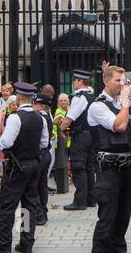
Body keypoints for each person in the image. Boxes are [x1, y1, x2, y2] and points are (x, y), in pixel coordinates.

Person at [86, 64, 131, 253]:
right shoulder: (98, 106)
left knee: (123, 216)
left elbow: (129, 129)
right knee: (107, 218)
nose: (122, 85)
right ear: (106, 81)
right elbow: (118, 126)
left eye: (123, 81)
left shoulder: (119, 104)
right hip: (107, 169)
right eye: (118, 81)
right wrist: (126, 102)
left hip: (126, 167)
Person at [0, 85, 47, 253]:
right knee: (29, 205)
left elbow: (4, 143)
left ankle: (4, 244)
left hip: (17, 166)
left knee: (7, 205)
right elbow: (44, 143)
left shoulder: (15, 118)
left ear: (19, 99)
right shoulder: (40, 118)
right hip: (34, 165)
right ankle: (26, 242)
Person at [61, 69, 98, 211]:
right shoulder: (91, 95)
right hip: (91, 135)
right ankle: (90, 199)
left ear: (80, 81)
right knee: (89, 168)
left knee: (78, 167)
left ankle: (80, 201)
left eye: (74, 80)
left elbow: (70, 118)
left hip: (81, 136)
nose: (72, 83)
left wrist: (62, 129)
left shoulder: (79, 97)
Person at [32, 92, 53, 224]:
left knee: (35, 186)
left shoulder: (40, 118)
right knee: (42, 185)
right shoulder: (47, 117)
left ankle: (39, 214)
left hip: (40, 154)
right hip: (46, 154)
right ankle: (42, 212)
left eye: (36, 103)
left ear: (42, 106)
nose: (33, 105)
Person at [53, 94, 71, 194]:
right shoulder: (58, 111)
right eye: (61, 101)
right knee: (61, 161)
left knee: (68, 161)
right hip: (61, 141)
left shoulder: (70, 109)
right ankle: (61, 179)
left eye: (65, 100)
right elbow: (56, 121)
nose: (63, 102)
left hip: (69, 141)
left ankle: (68, 178)